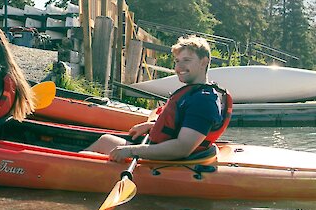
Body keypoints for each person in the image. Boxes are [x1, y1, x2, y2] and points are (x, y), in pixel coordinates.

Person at [84, 35, 232, 161]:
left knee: (89, 153)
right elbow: (179, 126)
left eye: (186, 60)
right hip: (161, 150)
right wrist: (151, 126)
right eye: (177, 61)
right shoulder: (194, 93)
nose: (179, 67)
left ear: (203, 62)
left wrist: (132, 151)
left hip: (172, 161)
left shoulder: (203, 101)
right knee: (105, 140)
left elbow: (183, 148)